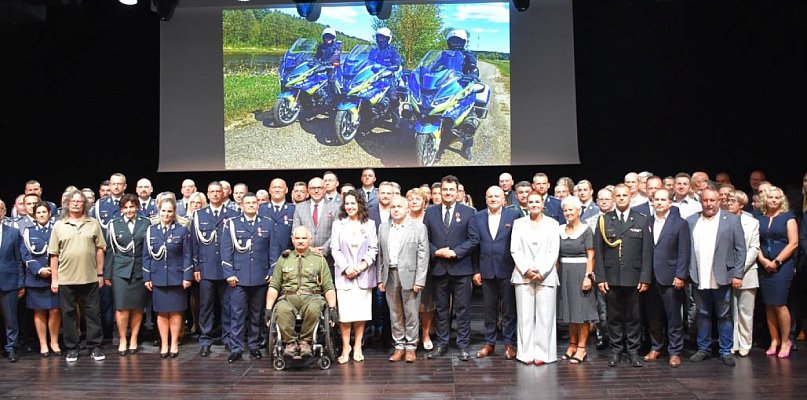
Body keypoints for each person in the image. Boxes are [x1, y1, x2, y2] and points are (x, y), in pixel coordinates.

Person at [594, 184, 652, 368]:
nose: (621, 198)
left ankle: (633, 351)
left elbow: (646, 252)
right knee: (614, 317)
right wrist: (601, 278)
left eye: (624, 195)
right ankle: (616, 350)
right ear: (613, 198)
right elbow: (599, 252)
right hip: (611, 277)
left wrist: (644, 278)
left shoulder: (641, 220)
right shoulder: (604, 220)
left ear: (630, 198)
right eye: (617, 195)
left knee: (634, 317)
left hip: (634, 277)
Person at [687, 188, 746, 367]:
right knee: (702, 314)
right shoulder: (691, 221)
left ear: (719, 201)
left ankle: (725, 350)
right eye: (705, 200)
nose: (709, 204)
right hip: (699, 276)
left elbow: (740, 249)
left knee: (724, 315)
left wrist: (737, 274)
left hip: (722, 275)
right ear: (701, 201)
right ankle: (703, 349)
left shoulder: (732, 220)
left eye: (713, 200)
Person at [423, 175, 480, 361]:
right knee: (441, 309)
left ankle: (463, 346)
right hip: (439, 268)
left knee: (463, 309)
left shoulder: (469, 212)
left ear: (458, 192)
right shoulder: (430, 212)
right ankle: (442, 344)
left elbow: (474, 239)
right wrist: (436, 252)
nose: (447, 193)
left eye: (451, 190)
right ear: (440, 192)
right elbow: (425, 240)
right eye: (444, 190)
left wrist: (455, 252)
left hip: (461, 267)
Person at [48, 189, 107, 363]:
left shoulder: (93, 223)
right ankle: (72, 348)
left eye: (79, 201)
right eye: (72, 201)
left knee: (93, 314)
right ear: (67, 204)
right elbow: (53, 254)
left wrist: (100, 273)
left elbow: (99, 250)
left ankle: (95, 346)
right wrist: (55, 279)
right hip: (66, 279)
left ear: (85, 204)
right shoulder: (59, 225)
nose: (75, 204)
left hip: (90, 277)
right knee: (68, 314)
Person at [265, 226, 337, 358]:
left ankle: (305, 342)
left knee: (314, 309)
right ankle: (290, 343)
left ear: (310, 240)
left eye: (304, 238)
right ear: (292, 240)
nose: (300, 241)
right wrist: (268, 309)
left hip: (312, 296)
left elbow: (328, 286)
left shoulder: (319, 259)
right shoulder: (284, 259)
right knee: (281, 310)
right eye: (297, 238)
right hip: (288, 296)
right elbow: (274, 285)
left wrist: (332, 309)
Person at [220, 192, 273, 362]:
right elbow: (226, 250)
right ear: (241, 205)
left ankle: (254, 346)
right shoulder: (232, 224)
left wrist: (271, 271)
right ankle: (236, 348)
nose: (251, 205)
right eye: (247, 203)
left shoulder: (267, 223)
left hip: (260, 276)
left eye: (254, 202)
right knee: (237, 314)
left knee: (256, 314)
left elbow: (273, 250)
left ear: (258, 204)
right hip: (238, 277)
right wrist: (229, 274)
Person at [642, 189, 690, 368]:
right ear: (652, 201)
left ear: (671, 202)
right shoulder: (647, 221)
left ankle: (675, 351)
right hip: (650, 277)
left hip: (670, 277)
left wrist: (680, 275)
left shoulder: (680, 223)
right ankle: (656, 347)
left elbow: (684, 252)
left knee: (673, 316)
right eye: (657, 199)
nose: (660, 202)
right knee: (653, 316)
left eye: (663, 200)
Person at [377, 195, 428, 363]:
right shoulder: (383, 228)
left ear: (407, 209)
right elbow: (380, 255)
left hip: (410, 276)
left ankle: (411, 347)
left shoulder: (418, 227)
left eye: (399, 206)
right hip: (390, 275)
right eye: (393, 207)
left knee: (411, 313)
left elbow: (423, 255)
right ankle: (399, 346)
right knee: (394, 313)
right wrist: (380, 279)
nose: (396, 209)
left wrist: (420, 280)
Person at [510, 191, 560, 365]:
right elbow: (514, 249)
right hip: (523, 276)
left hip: (546, 276)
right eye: (531, 201)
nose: (534, 204)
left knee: (545, 317)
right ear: (526, 204)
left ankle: (544, 354)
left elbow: (554, 250)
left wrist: (542, 271)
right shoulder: (518, 224)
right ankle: (525, 353)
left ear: (542, 203)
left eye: (537, 201)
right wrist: (527, 270)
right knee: (524, 317)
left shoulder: (553, 224)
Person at [471, 186, 520, 360]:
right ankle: (489, 343)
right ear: (485, 199)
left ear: (503, 199)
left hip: (507, 269)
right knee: (489, 310)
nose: (493, 199)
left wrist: (517, 268)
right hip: (485, 270)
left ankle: (509, 344)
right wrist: (476, 270)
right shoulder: (477, 217)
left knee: (509, 310)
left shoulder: (513, 216)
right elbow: (474, 246)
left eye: (496, 196)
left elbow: (518, 243)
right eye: (490, 196)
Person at [191, 181, 239, 357]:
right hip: (206, 268)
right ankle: (205, 340)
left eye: (218, 191)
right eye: (212, 192)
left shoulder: (233, 214)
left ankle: (227, 338)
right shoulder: (199, 215)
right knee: (206, 307)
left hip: (227, 269)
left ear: (224, 193)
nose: (216, 194)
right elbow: (194, 244)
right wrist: (195, 266)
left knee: (228, 306)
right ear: (208, 194)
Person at [330, 190, 378, 364]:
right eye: (347, 203)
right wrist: (347, 268)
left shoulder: (370, 224)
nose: (350, 206)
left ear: (360, 205)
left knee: (360, 313)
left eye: (353, 203)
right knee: (345, 314)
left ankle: (357, 345)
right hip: (344, 275)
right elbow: (335, 249)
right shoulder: (338, 224)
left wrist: (360, 267)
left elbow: (373, 249)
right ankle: (345, 347)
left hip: (363, 275)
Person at [143, 197, 193, 358]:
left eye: (169, 211)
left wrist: (187, 276)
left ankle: (174, 343)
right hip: (158, 277)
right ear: (159, 211)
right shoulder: (152, 230)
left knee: (176, 312)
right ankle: (164, 343)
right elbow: (146, 256)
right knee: (162, 313)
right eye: (163, 211)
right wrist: (147, 277)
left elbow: (187, 255)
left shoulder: (181, 230)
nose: (166, 214)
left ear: (174, 212)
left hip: (176, 277)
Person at [755, 185, 799, 358]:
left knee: (779, 303)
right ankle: (774, 340)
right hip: (765, 265)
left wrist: (778, 261)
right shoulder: (760, 218)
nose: (774, 200)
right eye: (771, 197)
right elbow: (755, 241)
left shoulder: (788, 217)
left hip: (783, 265)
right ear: (766, 199)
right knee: (769, 304)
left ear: (782, 200)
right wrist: (764, 260)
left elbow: (793, 243)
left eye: (777, 198)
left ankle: (786, 340)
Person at [104, 194, 150, 356]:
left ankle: (134, 339)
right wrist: (107, 274)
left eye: (132, 206)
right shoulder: (114, 224)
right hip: (120, 271)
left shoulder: (146, 223)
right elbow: (110, 250)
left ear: (137, 207)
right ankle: (123, 339)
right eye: (126, 207)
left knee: (137, 307)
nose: (129, 210)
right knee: (122, 308)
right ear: (121, 209)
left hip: (139, 269)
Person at [557, 196, 598, 365]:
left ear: (578, 211)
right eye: (565, 210)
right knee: (570, 312)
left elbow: (591, 255)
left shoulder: (586, 230)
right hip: (564, 272)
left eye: (571, 210)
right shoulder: (559, 229)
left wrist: (588, 276)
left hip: (581, 272)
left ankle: (582, 348)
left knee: (582, 312)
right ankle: (572, 345)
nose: (568, 213)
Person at [21, 201, 61, 358]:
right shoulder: (28, 232)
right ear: (34, 215)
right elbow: (25, 254)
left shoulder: (56, 230)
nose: (42, 215)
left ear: (49, 214)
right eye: (38, 213)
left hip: (55, 276)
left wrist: (53, 270)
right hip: (36, 278)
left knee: (55, 310)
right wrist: (39, 269)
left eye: (44, 212)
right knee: (39, 312)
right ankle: (43, 344)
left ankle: (54, 342)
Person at [727, 190, 760, 357]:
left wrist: (739, 269)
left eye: (733, 200)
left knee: (746, 311)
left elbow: (754, 248)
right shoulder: (723, 219)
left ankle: (746, 343)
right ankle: (733, 343)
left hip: (747, 271)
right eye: (728, 200)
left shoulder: (751, 222)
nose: (729, 203)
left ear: (741, 204)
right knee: (730, 311)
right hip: (727, 271)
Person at [444, 29, 478, 159]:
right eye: (453, 40)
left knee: (468, 117)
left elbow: (474, 68)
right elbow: (434, 65)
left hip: (463, 86)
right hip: (448, 86)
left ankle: (466, 147)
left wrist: (472, 75)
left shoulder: (468, 55)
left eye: (458, 41)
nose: (455, 43)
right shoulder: (445, 55)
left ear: (463, 42)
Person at [0, 209, 23, 362]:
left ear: (3, 212)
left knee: (10, 318)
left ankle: (11, 347)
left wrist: (21, 283)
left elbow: (18, 260)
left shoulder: (13, 233)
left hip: (8, 281)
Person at [258, 178, 295, 268]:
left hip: (288, 256)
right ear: (270, 190)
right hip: (264, 257)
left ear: (286, 190)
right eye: (274, 187)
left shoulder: (293, 209)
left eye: (280, 187)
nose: (277, 189)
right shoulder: (260, 209)